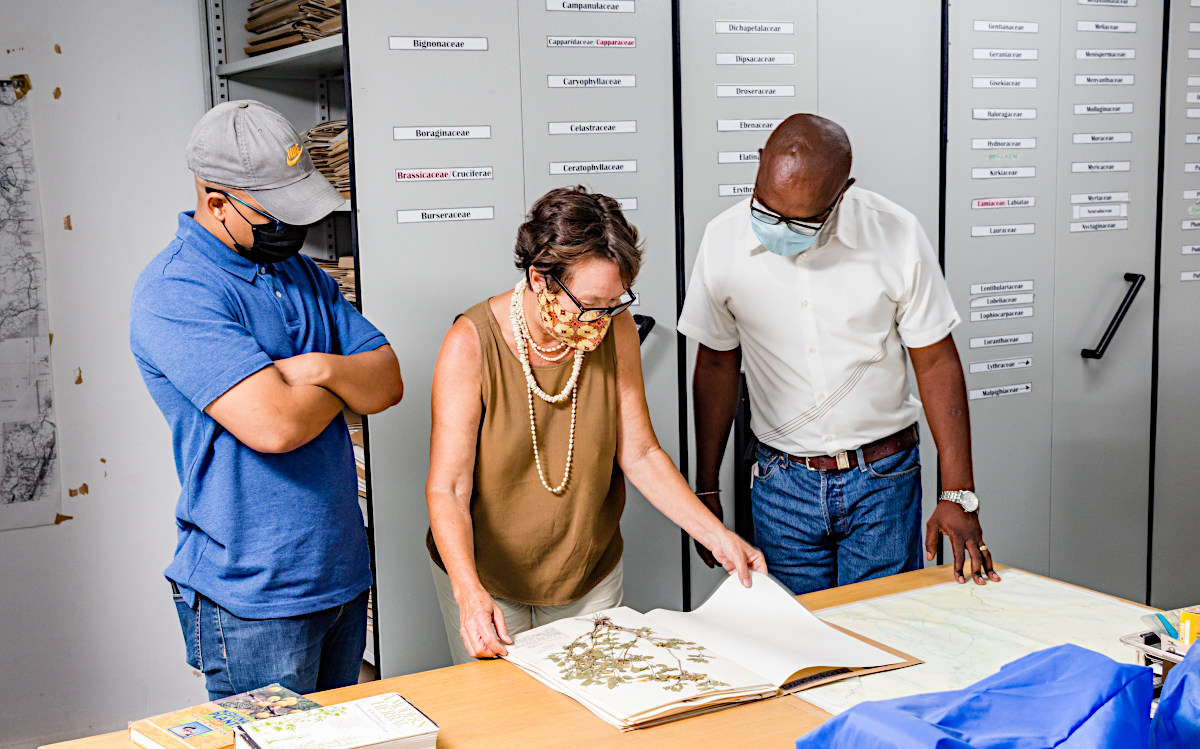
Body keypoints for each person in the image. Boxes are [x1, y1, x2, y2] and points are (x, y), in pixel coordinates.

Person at [129, 100, 402, 699]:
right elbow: (275, 427)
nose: (291, 226)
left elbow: (386, 382)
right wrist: (340, 383)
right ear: (216, 200)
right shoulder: (175, 290)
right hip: (253, 595)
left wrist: (314, 368)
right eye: (273, 210)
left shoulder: (299, 273)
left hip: (340, 574)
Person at [426, 186, 766, 664]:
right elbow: (449, 488)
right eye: (588, 304)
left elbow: (641, 453)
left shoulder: (612, 328)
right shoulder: (470, 343)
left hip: (586, 569)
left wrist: (716, 534)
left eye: (614, 302)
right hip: (486, 575)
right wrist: (467, 592)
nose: (600, 320)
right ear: (540, 278)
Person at [679, 113, 1001, 595]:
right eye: (766, 209)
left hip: (883, 480)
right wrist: (706, 488)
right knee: (799, 648)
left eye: (801, 220)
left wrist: (959, 493)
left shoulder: (896, 234)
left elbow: (935, 361)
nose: (778, 229)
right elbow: (717, 366)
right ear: (760, 162)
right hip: (781, 485)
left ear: (842, 190)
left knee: (885, 639)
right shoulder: (723, 239)